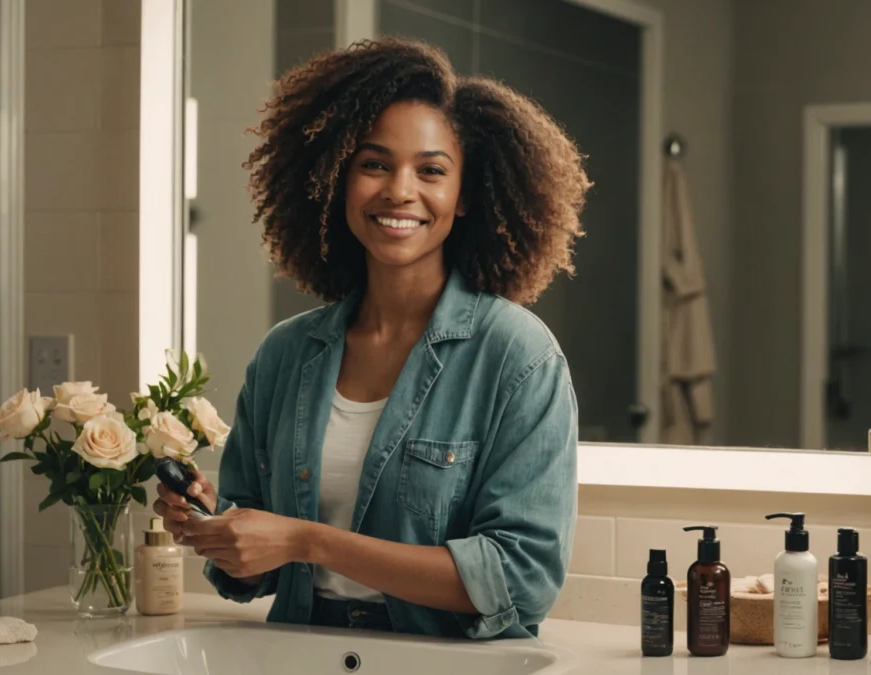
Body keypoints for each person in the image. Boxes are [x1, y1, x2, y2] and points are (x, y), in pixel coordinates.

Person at [153, 37, 590, 640]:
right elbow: (254, 572)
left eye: (431, 170)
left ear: (465, 197)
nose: (399, 191)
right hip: (302, 650)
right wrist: (218, 528)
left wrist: (308, 540)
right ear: (337, 177)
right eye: (375, 163)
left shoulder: (518, 357)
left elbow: (520, 579)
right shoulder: (284, 355)